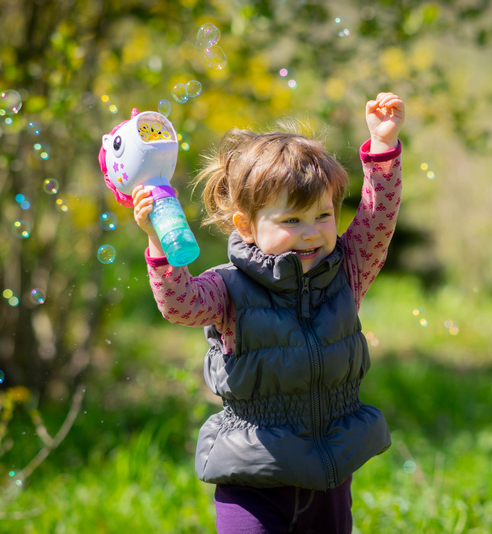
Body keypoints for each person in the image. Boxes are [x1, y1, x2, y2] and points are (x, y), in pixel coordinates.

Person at [132, 92, 405, 533]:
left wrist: (383, 148)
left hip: (328, 475)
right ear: (246, 226)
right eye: (291, 221)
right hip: (252, 478)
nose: (311, 233)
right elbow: (180, 305)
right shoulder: (229, 286)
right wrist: (158, 243)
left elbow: (378, 220)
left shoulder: (347, 271)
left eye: (323, 215)